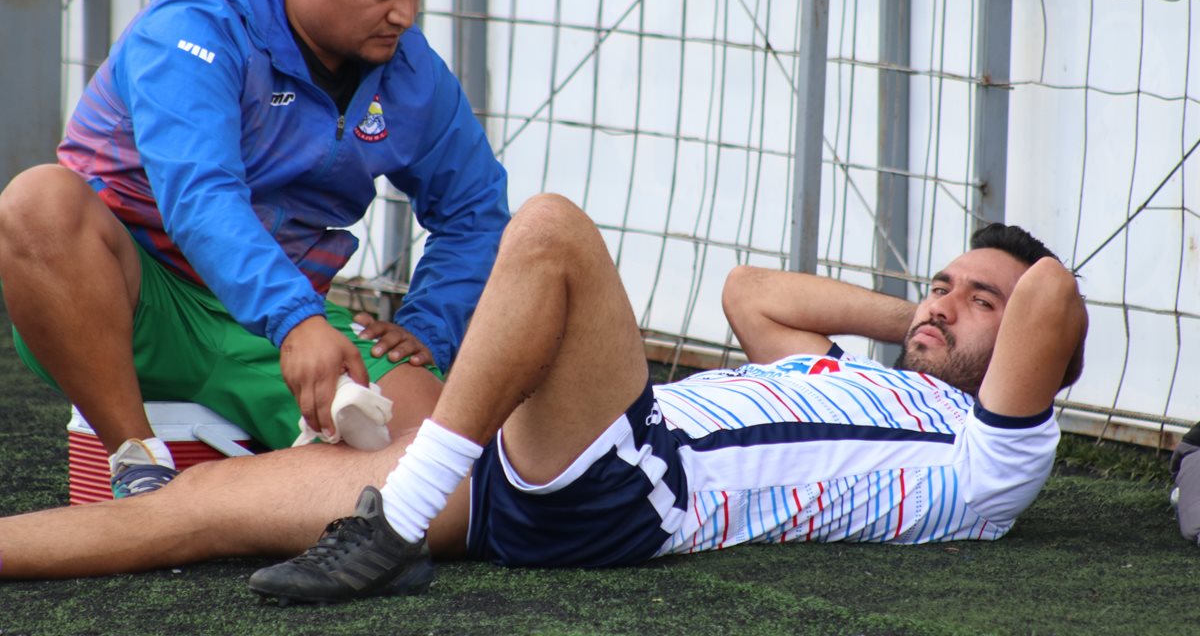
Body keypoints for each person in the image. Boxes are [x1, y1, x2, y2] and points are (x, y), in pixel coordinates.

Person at [0, 194, 1087, 596]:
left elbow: (1049, 291)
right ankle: (398, 487)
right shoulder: (848, 367)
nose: (945, 299)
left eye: (976, 298)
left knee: (553, 231)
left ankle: (396, 516)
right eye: (940, 280)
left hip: (640, 487)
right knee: (175, 520)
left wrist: (990, 308)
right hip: (527, 474)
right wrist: (929, 316)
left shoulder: (995, 456)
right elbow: (752, 290)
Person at [0, 0, 509, 497]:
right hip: (132, 301)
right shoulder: (194, 26)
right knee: (37, 200)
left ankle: (254, 486)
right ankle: (137, 463)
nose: (406, 15)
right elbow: (201, 195)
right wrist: (296, 321)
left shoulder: (412, 70)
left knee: (446, 479)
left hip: (273, 320)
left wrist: (428, 330)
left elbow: (475, 209)